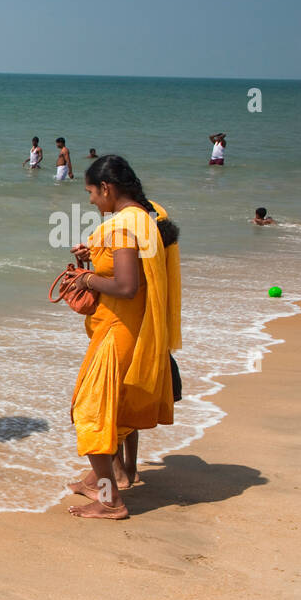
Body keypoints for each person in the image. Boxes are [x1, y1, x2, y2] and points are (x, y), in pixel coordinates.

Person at [63, 155, 176, 520]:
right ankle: (110, 480)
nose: (92, 201)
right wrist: (95, 255)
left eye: (92, 193)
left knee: (90, 413)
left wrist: (87, 279)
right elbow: (132, 268)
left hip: (118, 332)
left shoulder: (122, 227)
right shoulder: (148, 216)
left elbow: (126, 286)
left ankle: (110, 500)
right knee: (115, 410)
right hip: (137, 330)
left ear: (107, 188)